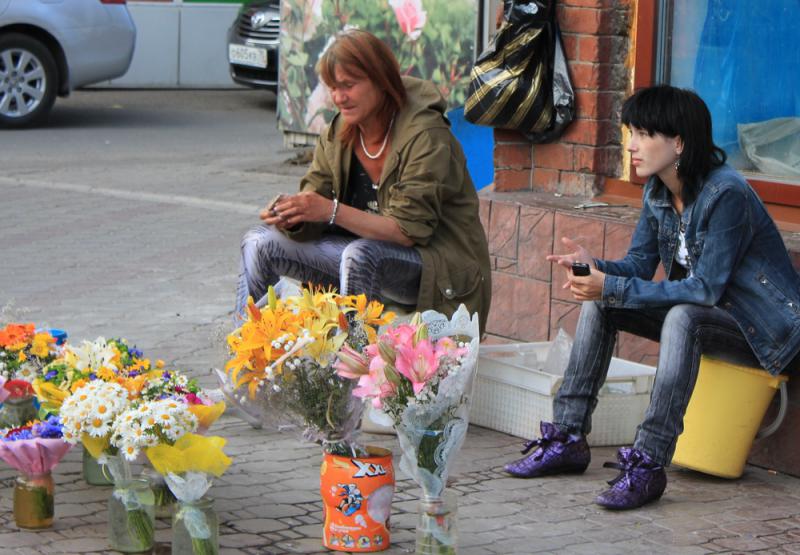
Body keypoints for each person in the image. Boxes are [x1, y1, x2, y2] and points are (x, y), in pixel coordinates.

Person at [504, 85, 800, 510]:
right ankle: (568, 437)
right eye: (631, 133)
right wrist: (598, 269)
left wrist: (612, 284)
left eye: (643, 134)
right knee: (603, 301)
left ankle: (648, 464)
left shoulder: (726, 194)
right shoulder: (659, 192)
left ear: (678, 142)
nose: (632, 145)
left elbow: (705, 289)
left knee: (682, 316)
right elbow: (640, 266)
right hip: (710, 318)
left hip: (765, 330)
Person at [235, 29, 491, 330]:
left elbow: (406, 231)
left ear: (381, 81)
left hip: (437, 270)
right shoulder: (339, 131)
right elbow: (315, 200)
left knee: (360, 254)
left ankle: (348, 368)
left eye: (348, 85)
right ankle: (251, 357)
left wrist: (328, 210)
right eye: (332, 87)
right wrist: (294, 215)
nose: (339, 97)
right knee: (259, 242)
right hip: (362, 256)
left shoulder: (426, 135)